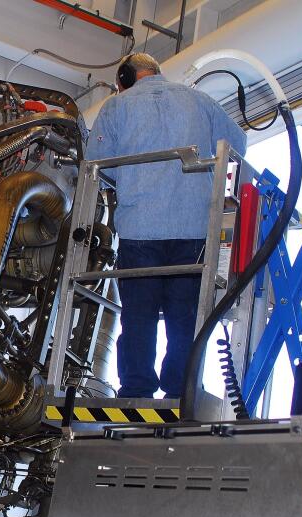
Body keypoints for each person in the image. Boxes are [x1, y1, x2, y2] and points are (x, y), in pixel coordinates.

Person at [84, 52, 247, 399]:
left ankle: (137, 388)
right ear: (157, 71)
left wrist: (131, 179)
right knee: (184, 316)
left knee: (138, 315)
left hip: (140, 229)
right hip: (192, 229)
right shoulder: (201, 101)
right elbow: (238, 144)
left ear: (124, 80)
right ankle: (181, 388)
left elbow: (96, 163)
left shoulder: (116, 107)